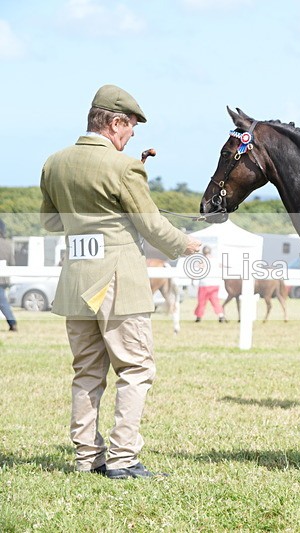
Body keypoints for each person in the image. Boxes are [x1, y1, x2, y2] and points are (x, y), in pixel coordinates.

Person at [40, 84, 201, 479]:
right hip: (118, 284)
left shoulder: (54, 163)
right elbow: (151, 225)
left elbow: (51, 222)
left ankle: (86, 458)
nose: (132, 135)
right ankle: (124, 458)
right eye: (130, 127)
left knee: (87, 372)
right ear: (114, 122)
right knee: (135, 368)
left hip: (77, 283)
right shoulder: (124, 168)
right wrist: (188, 245)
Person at [194, 245, 226, 323]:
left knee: (201, 302)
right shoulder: (216, 260)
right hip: (214, 284)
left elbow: (196, 271)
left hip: (204, 284)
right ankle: (221, 315)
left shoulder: (202, 261)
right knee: (215, 301)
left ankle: (199, 317)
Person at [0, 218, 18, 332]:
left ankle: (12, 322)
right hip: (5, 279)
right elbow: (12, 263)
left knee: (2, 302)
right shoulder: (8, 244)